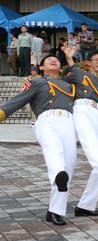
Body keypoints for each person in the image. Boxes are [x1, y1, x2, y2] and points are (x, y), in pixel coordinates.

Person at [0, 54, 79, 224]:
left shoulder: (69, 85)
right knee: (53, 149)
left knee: (69, 164)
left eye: (56, 60)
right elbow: (18, 100)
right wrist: (2, 113)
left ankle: (55, 211)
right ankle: (57, 174)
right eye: (48, 60)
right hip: (47, 120)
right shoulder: (37, 82)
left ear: (61, 67)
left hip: (68, 122)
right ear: (41, 67)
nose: (53, 60)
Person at [61, 46, 98, 217]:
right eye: (96, 60)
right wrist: (69, 57)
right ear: (89, 63)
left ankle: (86, 205)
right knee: (90, 142)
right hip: (81, 108)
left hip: (96, 114)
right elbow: (64, 77)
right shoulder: (80, 73)